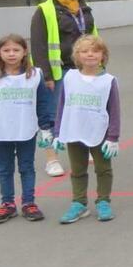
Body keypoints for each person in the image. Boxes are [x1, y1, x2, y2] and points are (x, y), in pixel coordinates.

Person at [0, 35, 55, 224]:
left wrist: (46, 128)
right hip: (1, 131)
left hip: (25, 129)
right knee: (4, 169)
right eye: (6, 50)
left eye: (16, 50)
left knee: (27, 167)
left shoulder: (35, 75)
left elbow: (43, 103)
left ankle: (29, 202)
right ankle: (8, 204)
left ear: (24, 52)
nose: (11, 54)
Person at [30, 0, 98, 178]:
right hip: (58, 71)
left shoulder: (84, 9)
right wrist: (47, 76)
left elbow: (93, 38)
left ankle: (84, 149)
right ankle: (52, 159)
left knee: (82, 109)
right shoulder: (45, 9)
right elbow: (39, 45)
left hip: (83, 69)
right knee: (52, 116)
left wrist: (99, 63)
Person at [53, 35, 121, 224]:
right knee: (77, 170)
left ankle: (103, 201)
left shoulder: (108, 81)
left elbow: (114, 110)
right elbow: (61, 106)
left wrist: (113, 137)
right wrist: (58, 132)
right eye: (85, 51)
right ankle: (79, 203)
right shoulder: (70, 77)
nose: (90, 54)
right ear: (77, 55)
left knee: (103, 169)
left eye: (95, 51)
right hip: (74, 131)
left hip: (100, 133)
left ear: (103, 55)